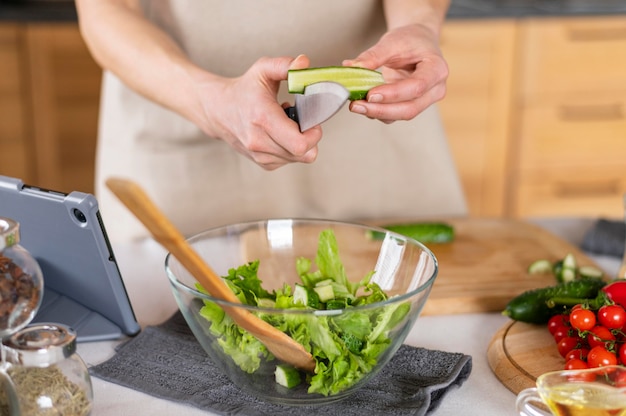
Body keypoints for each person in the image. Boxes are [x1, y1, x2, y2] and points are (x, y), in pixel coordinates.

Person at [75, 0, 467, 243]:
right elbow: (104, 9)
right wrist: (208, 101)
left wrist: (418, 23)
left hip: (372, 133)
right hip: (180, 116)